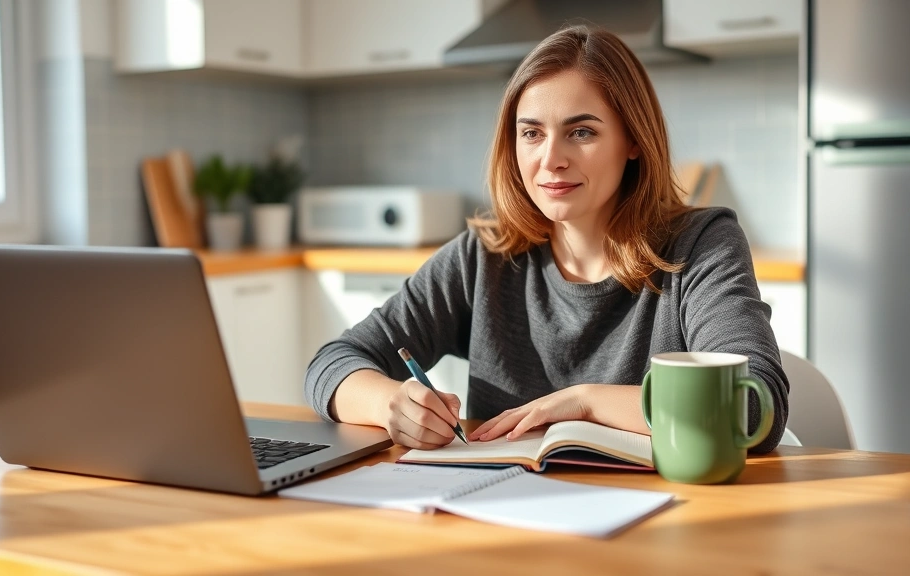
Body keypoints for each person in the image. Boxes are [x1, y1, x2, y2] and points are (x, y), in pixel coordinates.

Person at [304, 24, 789, 453]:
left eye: (581, 132)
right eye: (532, 134)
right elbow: (331, 365)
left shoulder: (702, 246)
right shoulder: (485, 256)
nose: (550, 159)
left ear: (634, 140)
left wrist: (585, 403)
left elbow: (752, 407)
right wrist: (392, 403)